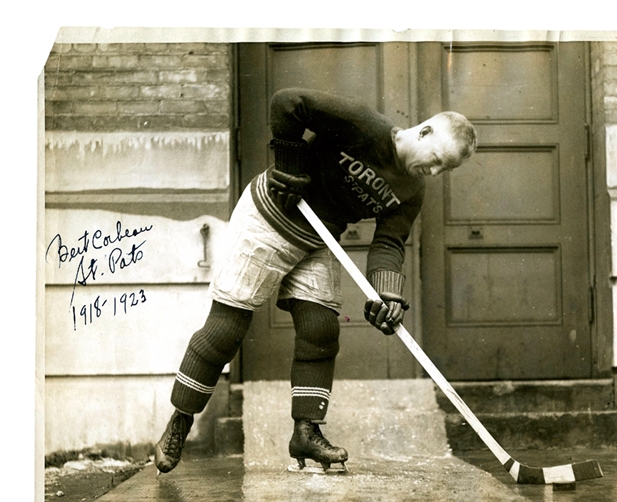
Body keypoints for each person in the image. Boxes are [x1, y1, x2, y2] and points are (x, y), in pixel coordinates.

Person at [155, 87, 477, 474]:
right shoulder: (366, 125)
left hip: (317, 238)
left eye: (446, 170)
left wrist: (385, 294)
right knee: (228, 327)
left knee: (321, 328)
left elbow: (390, 241)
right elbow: (288, 103)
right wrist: (289, 162)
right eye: (437, 160)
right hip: (270, 218)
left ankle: (305, 432)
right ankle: (180, 422)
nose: (435, 171)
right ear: (424, 132)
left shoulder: (411, 190)